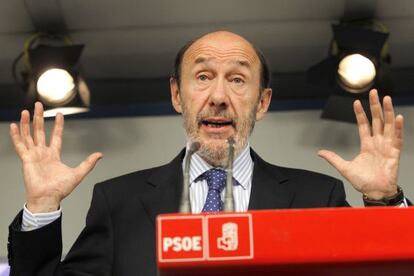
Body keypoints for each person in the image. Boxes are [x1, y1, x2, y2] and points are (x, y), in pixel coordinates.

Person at [7, 31, 409, 275]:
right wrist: (41, 207)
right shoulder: (120, 203)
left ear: (263, 102)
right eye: (203, 77)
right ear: (177, 95)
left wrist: (385, 202)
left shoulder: (316, 198)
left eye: (237, 79)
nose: (218, 97)